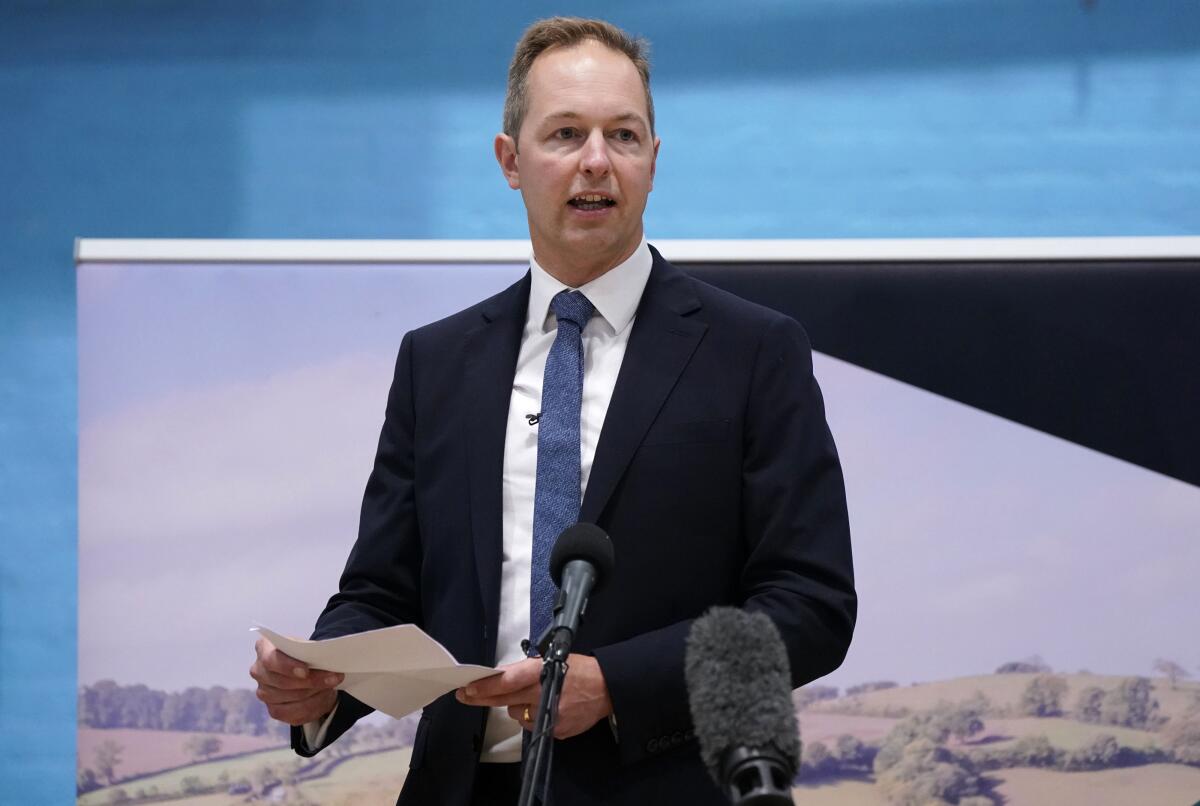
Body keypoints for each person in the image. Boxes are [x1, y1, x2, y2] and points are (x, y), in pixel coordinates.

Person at [250, 16, 855, 806]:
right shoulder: (436, 363)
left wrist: (616, 685)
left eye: (624, 135)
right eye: (566, 133)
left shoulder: (752, 352)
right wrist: (322, 676)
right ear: (510, 161)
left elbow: (809, 605)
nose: (597, 161)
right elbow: (383, 591)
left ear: (653, 160)